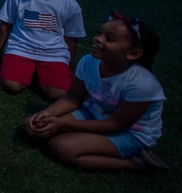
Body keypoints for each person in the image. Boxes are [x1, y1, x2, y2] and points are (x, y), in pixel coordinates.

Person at [23, 13, 166, 173]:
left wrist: (63, 123)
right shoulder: (89, 61)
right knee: (34, 127)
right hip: (93, 113)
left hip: (130, 133)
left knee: (60, 147)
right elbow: (72, 98)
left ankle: (137, 164)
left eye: (109, 39)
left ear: (133, 54)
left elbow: (115, 125)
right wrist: (46, 113)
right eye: (100, 33)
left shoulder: (142, 84)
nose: (97, 39)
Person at [0, 0, 85, 100]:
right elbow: (5, 25)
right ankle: (28, 72)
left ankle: (39, 74)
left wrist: (70, 67)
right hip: (20, 49)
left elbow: (71, 39)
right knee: (11, 85)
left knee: (58, 94)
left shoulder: (70, 5)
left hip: (53, 53)